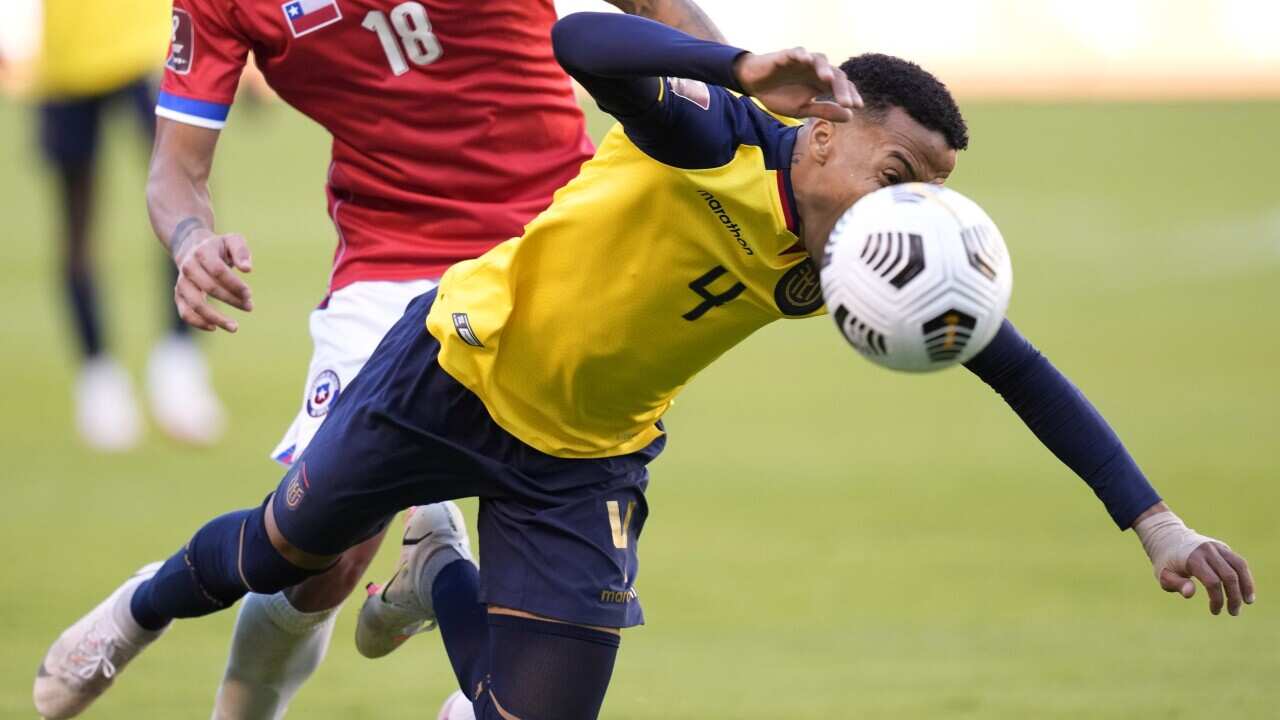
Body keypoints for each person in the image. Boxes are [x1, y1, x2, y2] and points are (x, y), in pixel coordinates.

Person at [36, 13, 1256, 720]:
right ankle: (142, 611)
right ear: (822, 133)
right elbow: (583, 39)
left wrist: (1151, 524)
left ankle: (433, 575)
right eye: (899, 179)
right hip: (453, 360)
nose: (912, 215)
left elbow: (1015, 365)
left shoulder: (868, 257)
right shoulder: (716, 136)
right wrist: (729, 71)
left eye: (932, 192)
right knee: (277, 556)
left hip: (585, 457)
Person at [94, 1, 723, 718]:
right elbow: (175, 170)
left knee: (541, 626)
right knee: (323, 559)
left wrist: (741, 98)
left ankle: (444, 590)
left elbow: (650, 6)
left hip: (553, 243)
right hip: (389, 254)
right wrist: (188, 242)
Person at [36, 0, 224, 450]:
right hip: (66, 59)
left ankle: (179, 364)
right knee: (77, 224)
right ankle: (97, 376)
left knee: (186, 197)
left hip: (149, 46)